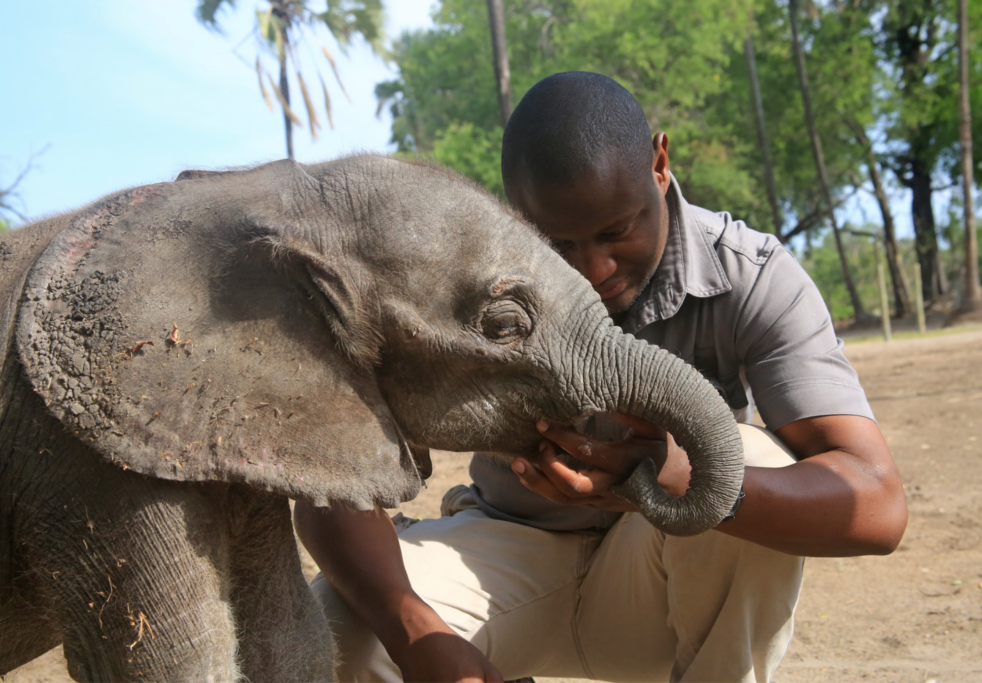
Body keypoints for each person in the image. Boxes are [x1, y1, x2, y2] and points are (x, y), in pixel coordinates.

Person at [294, 72, 907, 683]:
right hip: (510, 550)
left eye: (617, 230)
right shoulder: (464, 285)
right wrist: (417, 636)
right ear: (511, 213)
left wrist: (683, 481)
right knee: (343, 634)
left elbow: (877, 505)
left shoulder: (751, 277)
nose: (594, 268)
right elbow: (333, 493)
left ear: (659, 164)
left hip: (667, 587)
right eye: (557, 243)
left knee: (740, 457)